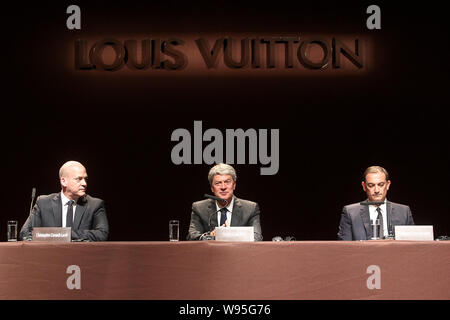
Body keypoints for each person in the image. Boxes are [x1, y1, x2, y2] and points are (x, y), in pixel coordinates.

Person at [19, 161, 109, 241]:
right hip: (50, 256)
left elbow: (102, 234)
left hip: (81, 257)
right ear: (63, 181)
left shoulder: (95, 205)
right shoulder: (43, 203)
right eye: (79, 179)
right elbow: (25, 233)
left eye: (85, 179)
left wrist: (64, 234)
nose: (84, 183)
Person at [187, 163, 263, 241]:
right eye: (218, 183)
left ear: (234, 185)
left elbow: (257, 238)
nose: (223, 187)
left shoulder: (250, 208)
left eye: (227, 182)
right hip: (210, 252)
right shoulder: (199, 208)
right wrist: (209, 236)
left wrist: (230, 235)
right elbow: (192, 236)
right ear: (212, 188)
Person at [338, 166, 414, 240]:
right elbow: (344, 249)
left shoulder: (403, 212)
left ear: (388, 185)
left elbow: (412, 246)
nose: (376, 190)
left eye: (381, 185)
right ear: (364, 186)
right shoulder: (350, 213)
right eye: (371, 185)